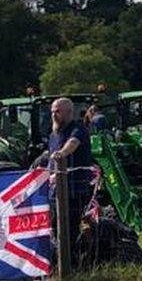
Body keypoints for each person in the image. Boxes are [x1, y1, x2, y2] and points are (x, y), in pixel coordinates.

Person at [47, 97, 95, 254]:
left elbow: (72, 144)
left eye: (58, 112)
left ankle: (71, 263)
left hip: (75, 191)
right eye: (52, 112)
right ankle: (60, 260)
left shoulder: (78, 129)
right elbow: (50, 159)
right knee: (54, 225)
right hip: (55, 192)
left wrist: (62, 154)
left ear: (69, 112)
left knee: (70, 227)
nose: (54, 115)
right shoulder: (53, 135)